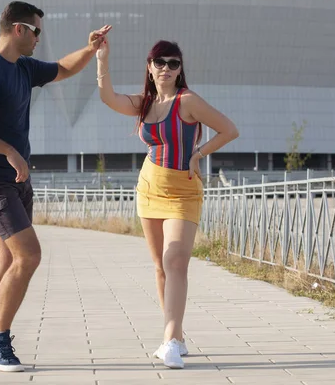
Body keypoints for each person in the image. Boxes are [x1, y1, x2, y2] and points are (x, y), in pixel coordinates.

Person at [0, 1, 111, 372]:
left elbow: (64, 69)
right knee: (29, 256)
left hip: (14, 178)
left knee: (8, 260)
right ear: (19, 29)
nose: (41, 38)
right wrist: (8, 150)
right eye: (37, 31)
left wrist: (91, 48)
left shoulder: (22, 68)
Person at [96, 38, 239, 369]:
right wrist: (102, 58)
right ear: (150, 66)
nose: (166, 68)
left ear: (180, 70)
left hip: (183, 192)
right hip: (149, 188)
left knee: (175, 260)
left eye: (173, 63)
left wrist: (198, 153)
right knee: (160, 266)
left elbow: (229, 129)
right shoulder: (144, 103)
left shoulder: (187, 101)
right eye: (160, 62)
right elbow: (108, 98)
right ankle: (175, 334)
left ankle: (171, 342)